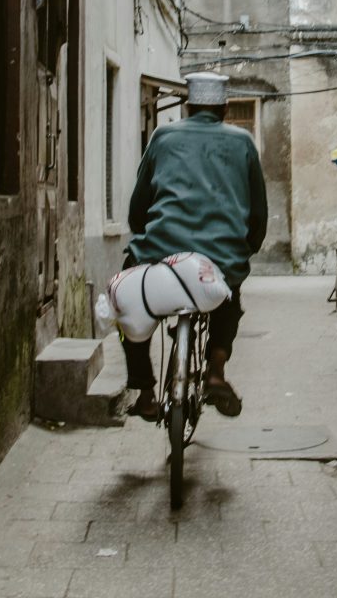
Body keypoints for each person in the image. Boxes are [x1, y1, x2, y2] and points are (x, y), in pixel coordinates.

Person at [122, 71, 267, 421]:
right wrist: (245, 249)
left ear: (188, 106)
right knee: (228, 294)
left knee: (125, 299)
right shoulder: (243, 141)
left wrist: (144, 238)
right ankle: (216, 370)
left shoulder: (163, 136)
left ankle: (144, 391)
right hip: (222, 254)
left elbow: (138, 205)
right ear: (224, 107)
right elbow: (258, 213)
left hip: (161, 251)